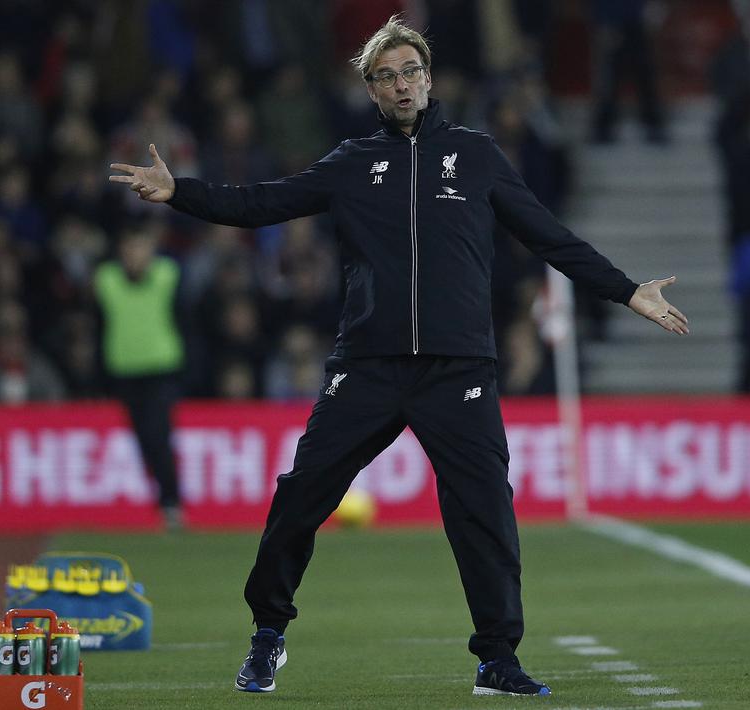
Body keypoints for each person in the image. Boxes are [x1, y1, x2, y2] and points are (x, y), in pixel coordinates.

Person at [109, 15, 688, 697]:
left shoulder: (475, 156)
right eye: (385, 77)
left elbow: (551, 238)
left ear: (429, 78)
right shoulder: (351, 164)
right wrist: (181, 193)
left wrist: (625, 292)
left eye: (410, 71)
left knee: (484, 513)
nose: (400, 84)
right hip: (368, 366)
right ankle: (268, 634)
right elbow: (259, 203)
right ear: (372, 92)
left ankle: (496, 658)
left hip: (459, 369)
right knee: (300, 498)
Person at [93, 224, 185, 529]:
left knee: (158, 435)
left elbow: (184, 319)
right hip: (124, 371)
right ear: (121, 251)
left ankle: (171, 504)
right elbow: (97, 325)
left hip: (161, 369)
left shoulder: (167, 275)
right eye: (130, 248)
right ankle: (166, 502)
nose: (136, 255)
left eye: (141, 247)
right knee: (144, 440)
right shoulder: (106, 280)